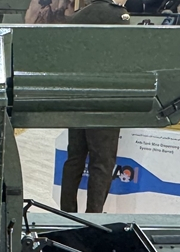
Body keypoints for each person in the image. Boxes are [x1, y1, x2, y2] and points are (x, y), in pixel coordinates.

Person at [59, 0, 129, 214]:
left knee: (74, 159)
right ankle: (93, 217)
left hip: (78, 96)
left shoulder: (78, 16)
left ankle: (67, 213)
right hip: (105, 98)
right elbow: (126, 54)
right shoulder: (117, 15)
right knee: (102, 162)